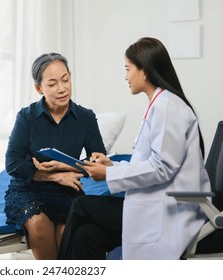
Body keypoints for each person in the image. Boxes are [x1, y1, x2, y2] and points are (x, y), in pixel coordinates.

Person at [58, 37, 212, 260]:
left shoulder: (166, 106)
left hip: (168, 210)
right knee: (86, 235)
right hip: (154, 202)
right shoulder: (159, 104)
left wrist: (109, 174)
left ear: (145, 71)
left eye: (128, 69)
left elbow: (162, 168)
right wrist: (112, 165)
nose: (126, 76)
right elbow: (147, 163)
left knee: (81, 206)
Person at [4, 52, 106, 260]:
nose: (62, 88)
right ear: (38, 88)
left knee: (66, 232)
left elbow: (98, 161)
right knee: (39, 225)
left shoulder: (86, 118)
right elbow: (12, 162)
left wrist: (74, 168)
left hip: (68, 192)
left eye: (65, 80)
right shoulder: (27, 117)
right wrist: (53, 176)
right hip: (28, 191)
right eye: (52, 84)